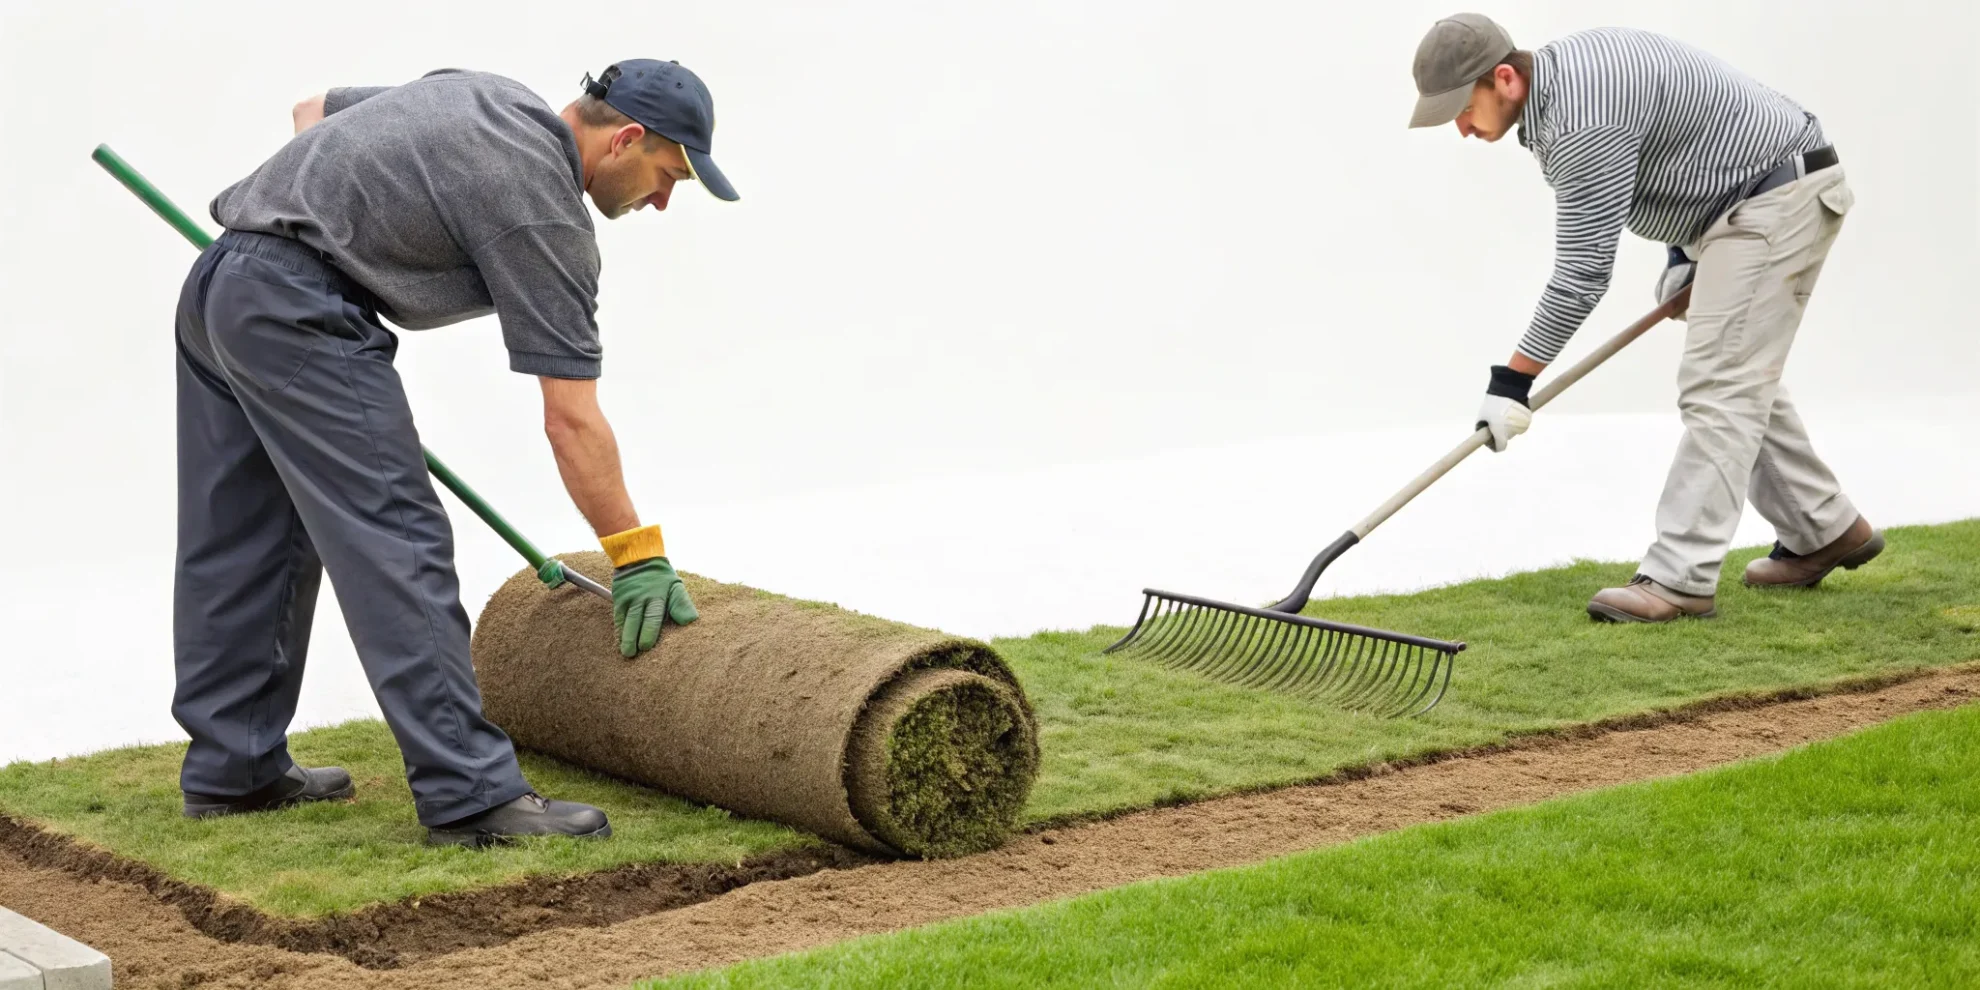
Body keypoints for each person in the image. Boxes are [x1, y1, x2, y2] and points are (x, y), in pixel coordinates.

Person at [171, 59, 732, 844]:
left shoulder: (488, 94)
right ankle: (472, 795)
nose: (664, 200)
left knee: (243, 537)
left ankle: (235, 771)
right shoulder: (543, 212)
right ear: (626, 138)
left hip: (223, 282)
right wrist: (636, 555)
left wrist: (314, 231)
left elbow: (313, 112)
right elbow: (571, 420)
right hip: (297, 311)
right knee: (397, 539)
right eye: (667, 173)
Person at [1406, 14, 1883, 623]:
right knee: (1736, 371)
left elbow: (1583, 272)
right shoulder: (1566, 76)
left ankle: (1679, 579)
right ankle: (1826, 527)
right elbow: (1678, 144)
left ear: (1503, 78)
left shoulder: (1581, 123)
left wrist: (1513, 381)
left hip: (1773, 196)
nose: (1461, 128)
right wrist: (1686, 255)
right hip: (1749, 195)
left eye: (1462, 108)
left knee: (1719, 385)